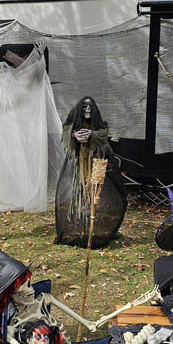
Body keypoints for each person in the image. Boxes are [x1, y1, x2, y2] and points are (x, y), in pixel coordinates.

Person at [54, 96, 127, 248]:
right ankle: (79, 222)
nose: (87, 110)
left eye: (90, 108)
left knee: (95, 194)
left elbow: (103, 134)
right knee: (78, 193)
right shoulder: (74, 122)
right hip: (78, 165)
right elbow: (66, 132)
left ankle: (93, 222)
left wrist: (91, 135)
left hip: (96, 163)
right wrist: (75, 135)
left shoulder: (98, 123)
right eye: (84, 108)